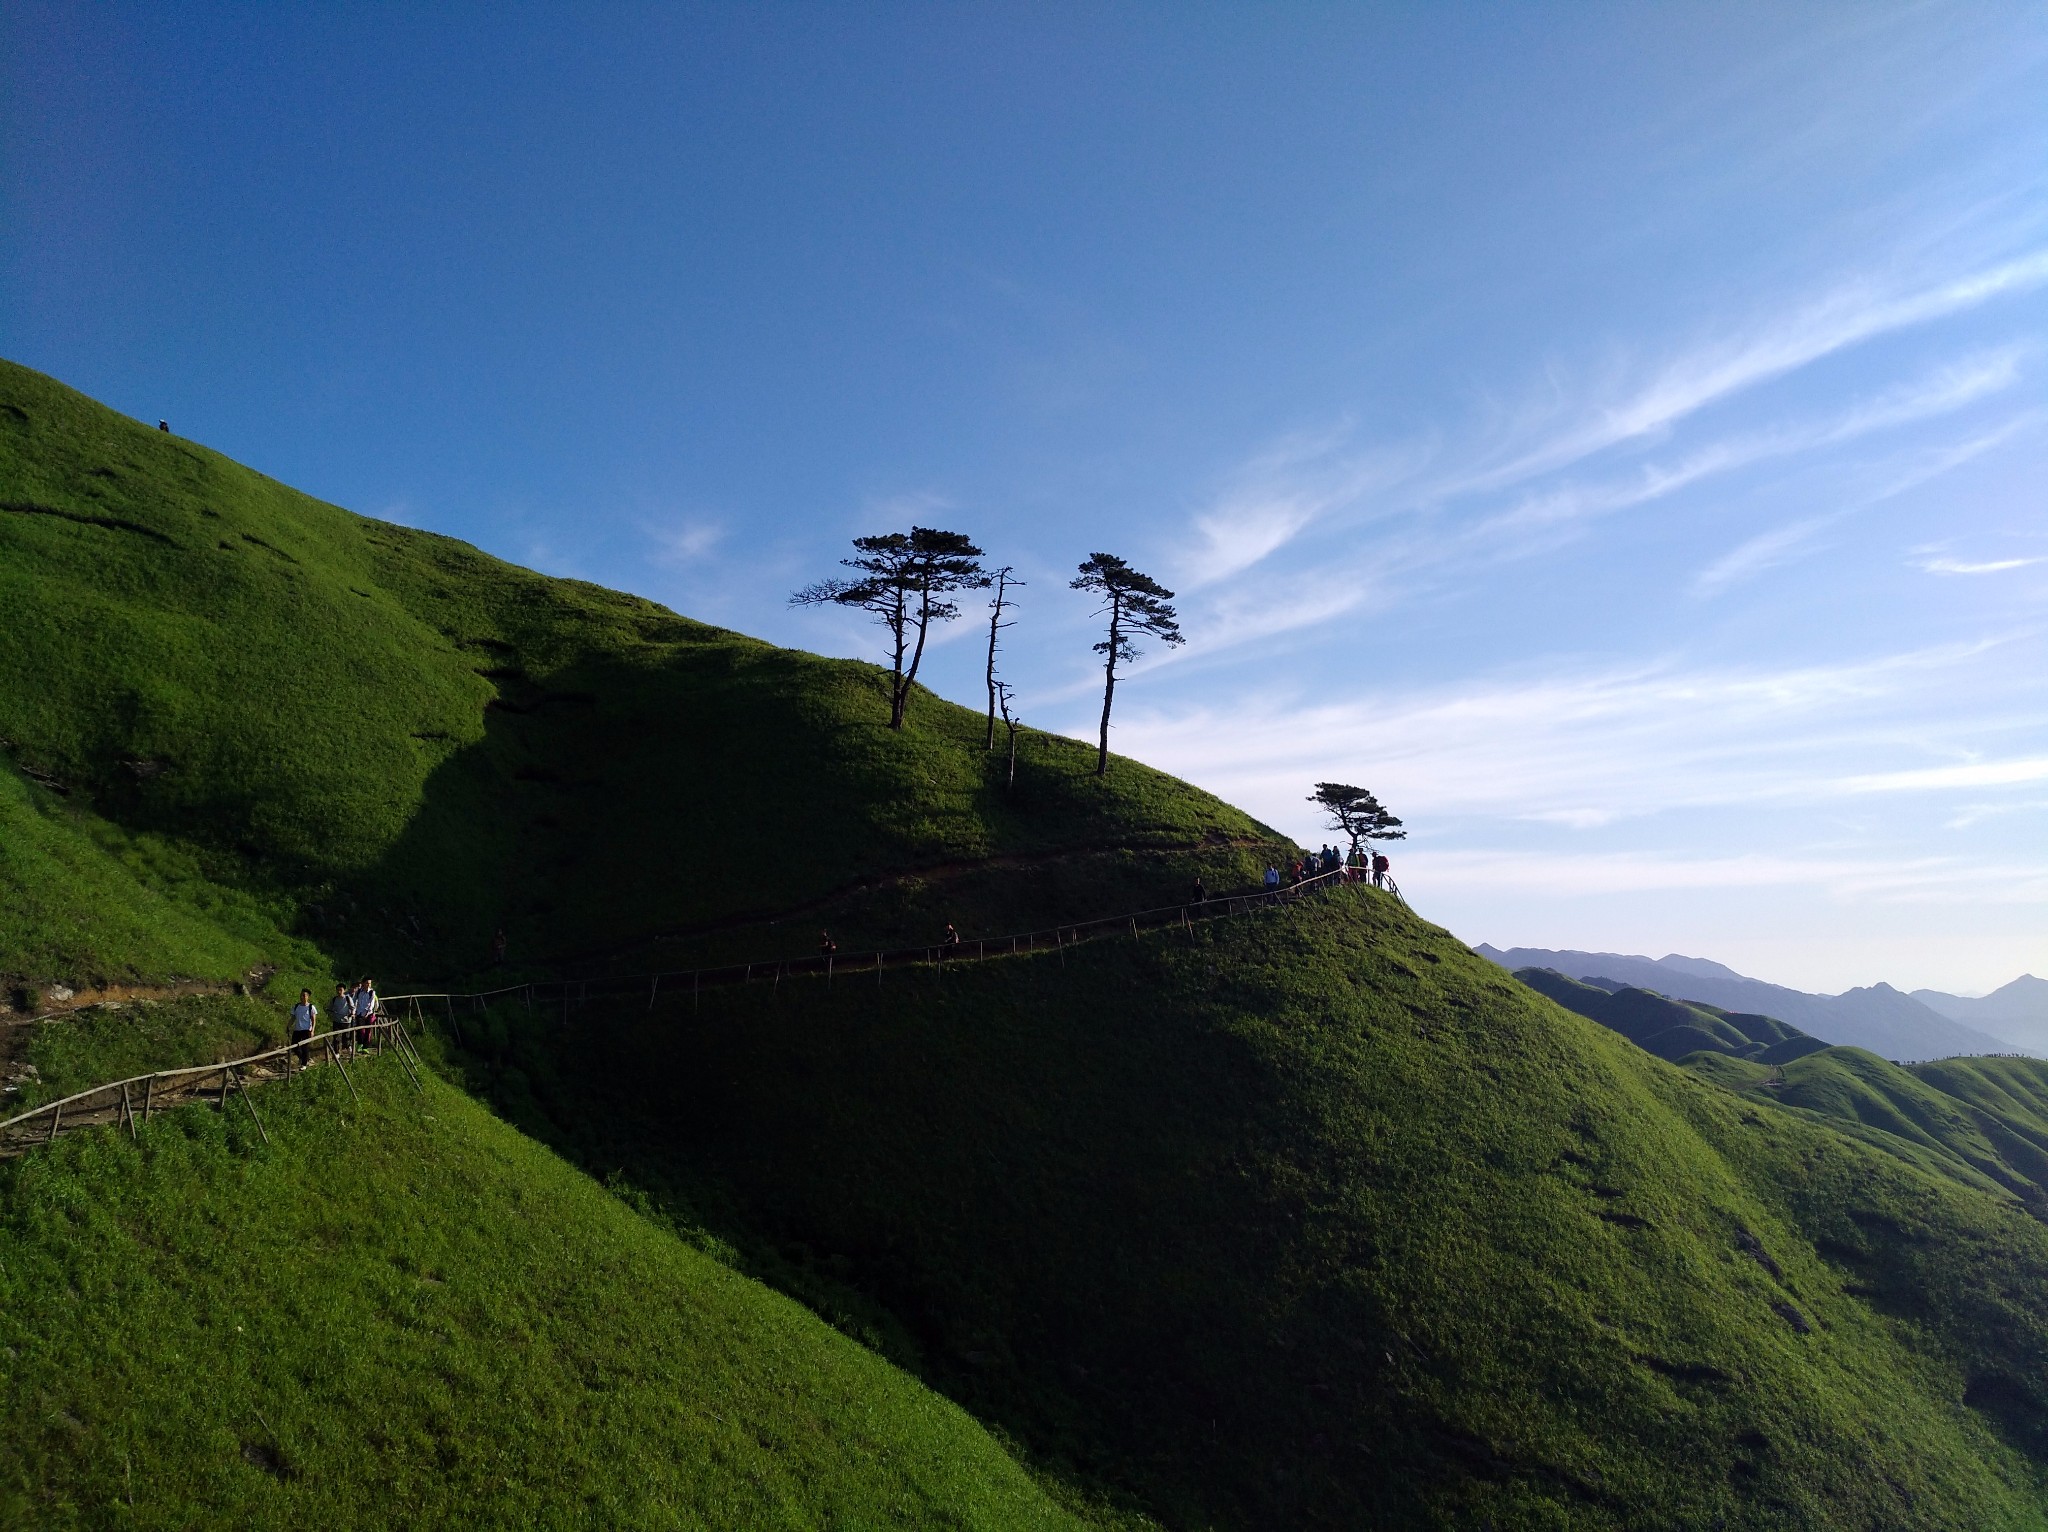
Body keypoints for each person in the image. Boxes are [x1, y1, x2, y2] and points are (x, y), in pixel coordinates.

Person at [290, 989, 318, 1065]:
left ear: (308, 997)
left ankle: (304, 1064)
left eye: (304, 995)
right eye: (301, 995)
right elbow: (293, 1018)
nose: (302, 997)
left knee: (304, 1047)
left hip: (306, 1030)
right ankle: (302, 1058)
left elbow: (313, 1020)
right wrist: (288, 1026)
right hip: (297, 1029)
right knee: (294, 1046)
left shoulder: (311, 1007)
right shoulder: (296, 1006)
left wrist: (312, 1030)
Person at [353, 977, 379, 1048]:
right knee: (360, 1029)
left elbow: (372, 1003)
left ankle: (366, 1046)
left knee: (368, 1030)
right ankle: (360, 1044)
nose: (369, 984)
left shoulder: (372, 992)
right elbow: (355, 1001)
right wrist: (354, 1011)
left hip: (368, 1013)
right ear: (363, 983)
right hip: (359, 1012)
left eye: (370, 983)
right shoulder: (358, 992)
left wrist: (367, 1013)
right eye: (367, 983)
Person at [333, 983, 357, 1055]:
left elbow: (353, 1007)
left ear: (344, 990)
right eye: (337, 990)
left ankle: (348, 1046)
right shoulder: (334, 999)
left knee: (346, 1037)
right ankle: (336, 1052)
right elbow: (330, 1008)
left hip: (346, 1021)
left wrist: (352, 1013)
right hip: (336, 1021)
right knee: (336, 1037)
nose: (339, 991)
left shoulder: (347, 998)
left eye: (340, 990)